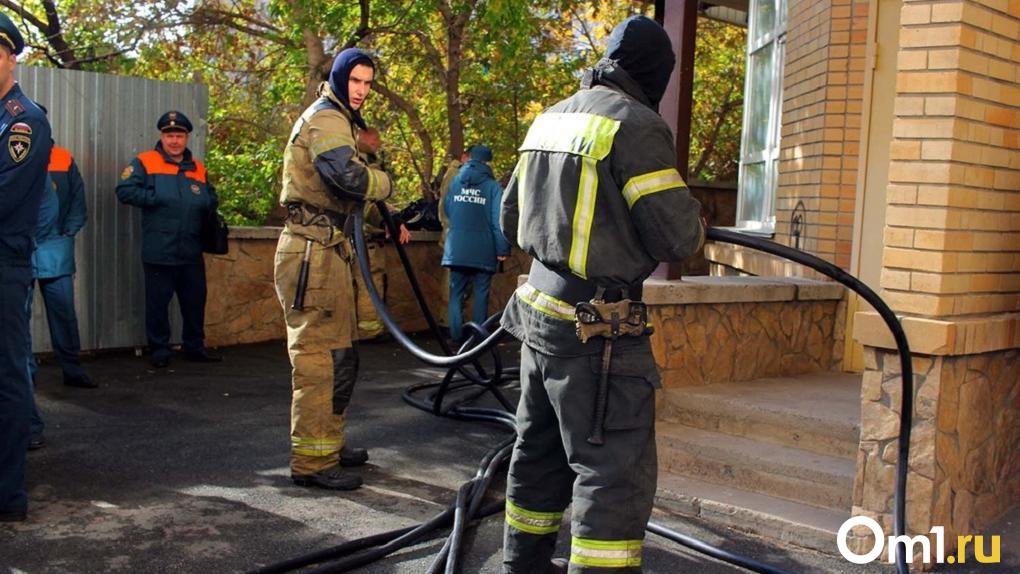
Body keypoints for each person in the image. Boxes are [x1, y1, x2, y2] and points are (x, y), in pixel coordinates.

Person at [499, 16, 705, 573]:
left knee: (537, 452)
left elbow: (510, 218)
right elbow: (677, 237)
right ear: (655, 73)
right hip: (598, 331)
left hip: (538, 316)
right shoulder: (637, 126)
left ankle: (522, 565)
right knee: (613, 474)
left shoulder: (549, 118)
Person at [274, 48, 391, 491]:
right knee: (319, 361)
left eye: (368, 83)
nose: (361, 90)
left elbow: (346, 195)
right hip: (312, 254)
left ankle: (328, 444)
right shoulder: (326, 118)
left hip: (329, 250)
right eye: (355, 81)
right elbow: (349, 178)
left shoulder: (342, 120)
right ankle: (311, 463)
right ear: (340, 79)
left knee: (341, 357)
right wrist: (385, 184)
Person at [0, 11, 53, 523]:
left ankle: (7, 495)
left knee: (7, 376)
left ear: (11, 57)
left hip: (3, 264)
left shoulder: (24, 121)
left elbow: (5, 196)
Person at [116, 111, 221, 369]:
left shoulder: (197, 167)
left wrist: (205, 205)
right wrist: (155, 199)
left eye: (179, 136)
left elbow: (211, 198)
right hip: (159, 249)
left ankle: (194, 347)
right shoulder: (145, 162)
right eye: (169, 135)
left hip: (191, 249)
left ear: (187, 138)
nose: (174, 141)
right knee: (158, 304)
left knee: (195, 302)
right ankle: (160, 349)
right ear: (162, 137)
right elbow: (124, 190)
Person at [28, 137, 94, 390]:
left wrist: (68, 232)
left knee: (63, 313)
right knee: (18, 317)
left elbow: (78, 199)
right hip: (20, 248)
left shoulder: (62, 157)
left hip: (55, 247)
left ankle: (72, 369)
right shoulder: (12, 152)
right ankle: (25, 374)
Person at [442, 144, 509, 342]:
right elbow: (498, 221)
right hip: (483, 249)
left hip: (457, 248)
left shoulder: (455, 182)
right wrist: (502, 248)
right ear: (487, 162)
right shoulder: (493, 187)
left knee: (455, 294)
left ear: (469, 158)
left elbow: (447, 209)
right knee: (481, 294)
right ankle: (477, 340)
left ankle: (456, 338)